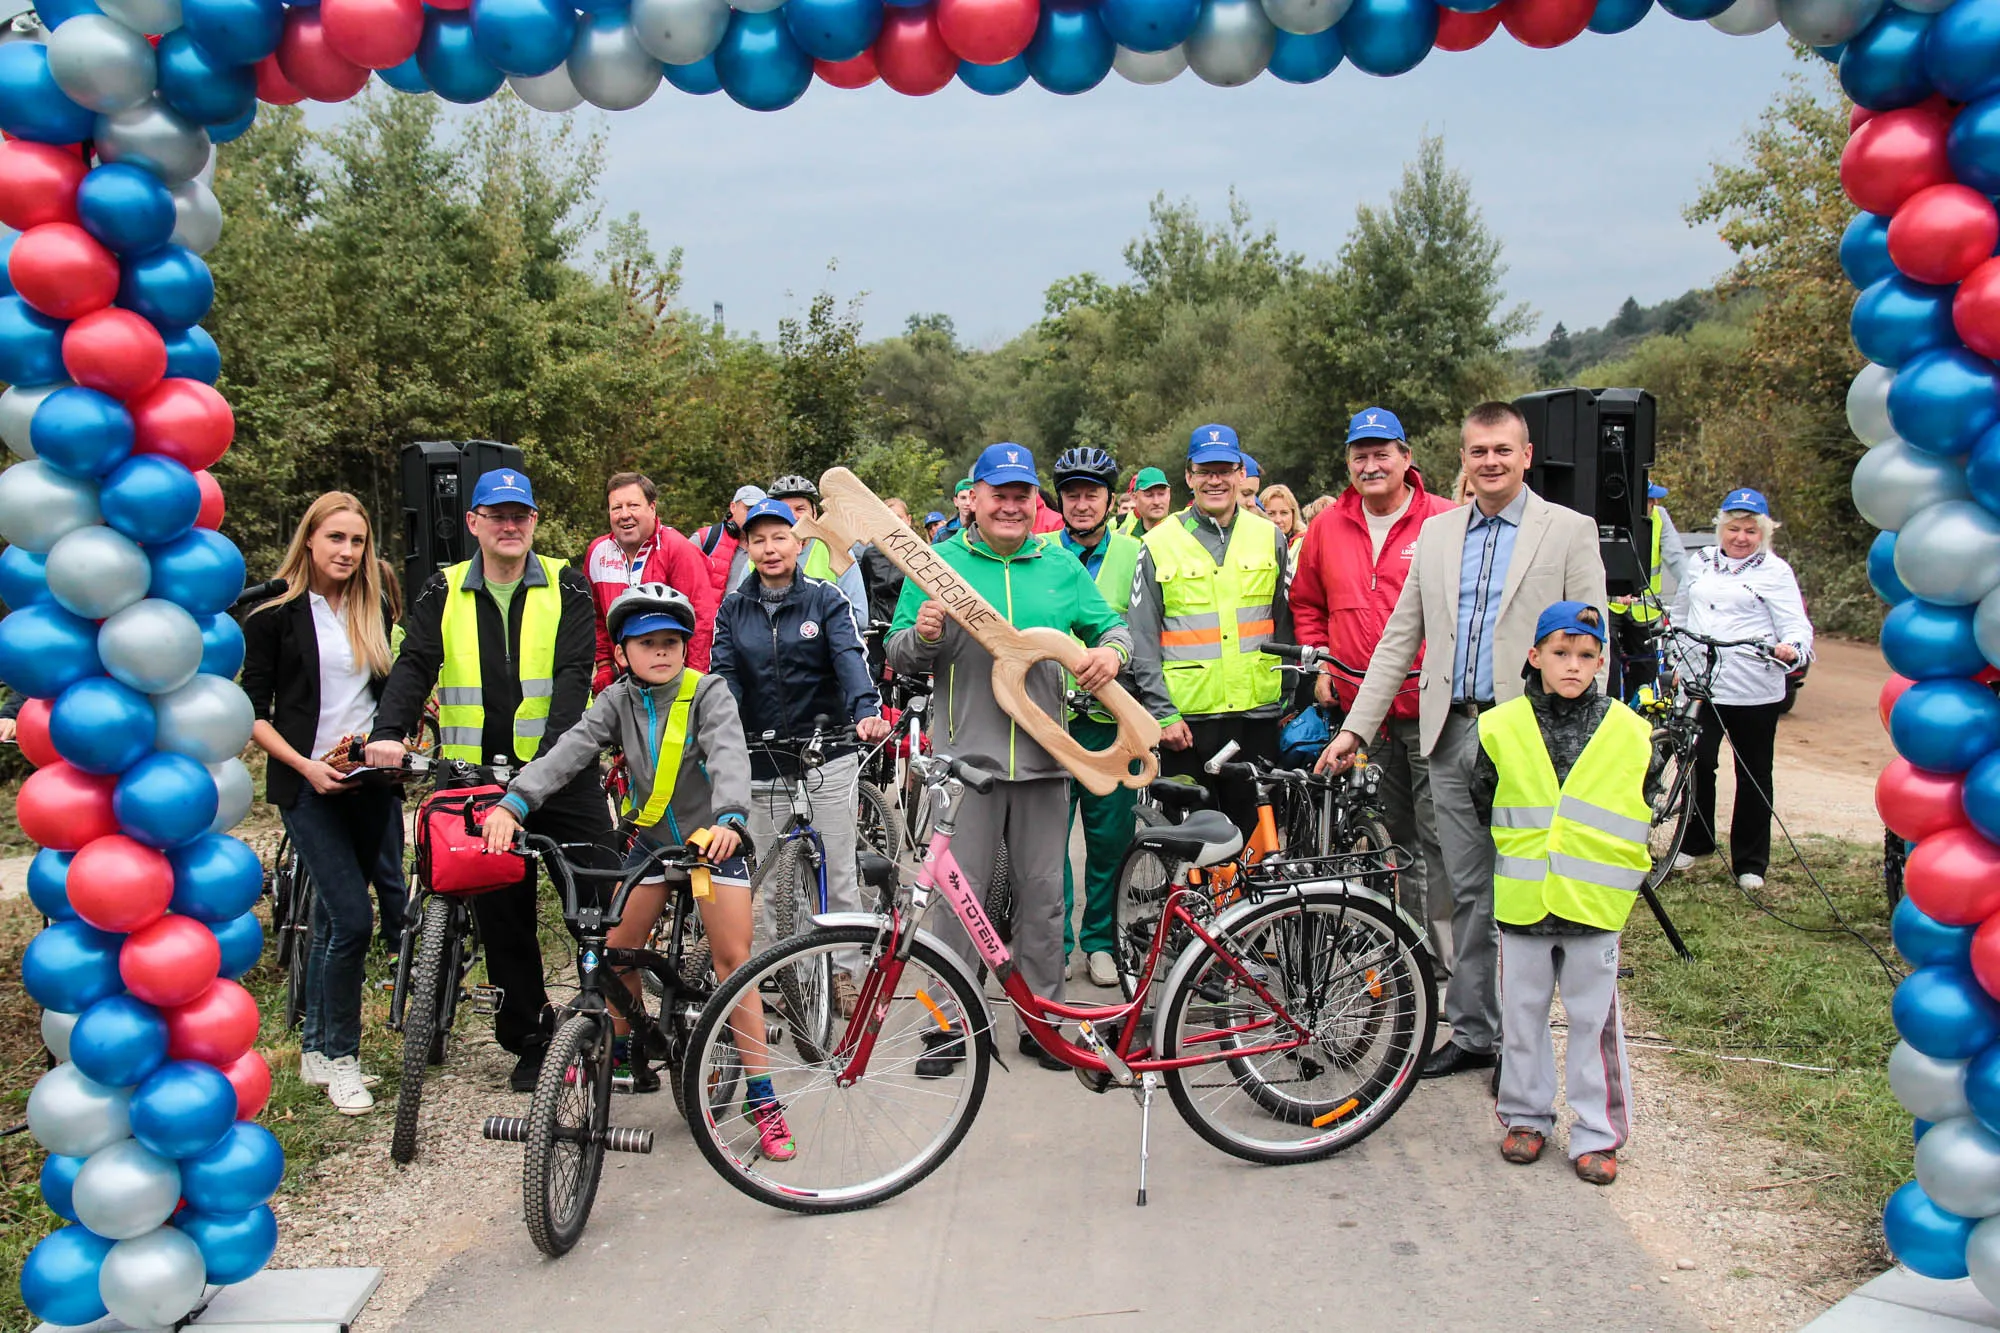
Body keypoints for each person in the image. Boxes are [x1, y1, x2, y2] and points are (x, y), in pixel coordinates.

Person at [1320, 401, 1607, 1082]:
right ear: (1462, 457)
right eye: (1478, 451)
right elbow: (1399, 637)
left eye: (1503, 450)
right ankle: (1477, 1029)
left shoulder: (1568, 531)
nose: (1490, 462)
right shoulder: (1441, 534)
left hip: (1533, 737)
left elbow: (1595, 647)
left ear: (1526, 455)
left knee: (1533, 890)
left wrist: (1585, 739)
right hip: (1450, 732)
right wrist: (1356, 727)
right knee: (1470, 887)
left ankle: (1528, 1040)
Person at [478, 586, 799, 1160]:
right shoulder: (616, 701)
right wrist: (514, 803)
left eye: (671, 642)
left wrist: (730, 818)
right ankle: (625, 1049)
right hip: (650, 844)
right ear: (624, 652)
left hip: (713, 844)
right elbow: (570, 750)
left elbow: (729, 754)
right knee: (611, 951)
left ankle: (761, 1096)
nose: (662, 653)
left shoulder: (709, 692)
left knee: (734, 964)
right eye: (647, 643)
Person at [366, 467, 612, 1093]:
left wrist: (545, 771)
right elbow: (416, 663)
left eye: (520, 515)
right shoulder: (440, 590)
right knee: (504, 918)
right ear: (473, 523)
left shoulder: (568, 584)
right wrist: (390, 732)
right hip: (476, 780)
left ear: (533, 522)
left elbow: (572, 678)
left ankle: (607, 1020)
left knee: (599, 898)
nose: (510, 526)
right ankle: (530, 1036)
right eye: (496, 516)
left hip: (561, 776)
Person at [888, 442, 1131, 1072]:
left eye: (1022, 494)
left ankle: (1043, 1026)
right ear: (976, 498)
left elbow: (1113, 626)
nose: (1011, 505)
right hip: (966, 769)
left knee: (1044, 899)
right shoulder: (938, 564)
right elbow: (898, 655)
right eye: (1000, 493)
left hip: (1049, 764)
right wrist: (924, 636)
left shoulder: (1058, 568)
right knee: (953, 904)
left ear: (1034, 503)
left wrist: (1113, 653)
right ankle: (947, 1027)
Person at [1473, 601, 1647, 1187]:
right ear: (1535, 656)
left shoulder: (1629, 730)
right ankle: (1526, 1117)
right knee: (1521, 1017)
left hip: (1594, 905)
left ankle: (1598, 1133)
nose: (1573, 666)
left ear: (1601, 661)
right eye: (1560, 654)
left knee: (1593, 1021)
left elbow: (1636, 803)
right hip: (1524, 901)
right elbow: (1484, 798)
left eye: (1586, 656)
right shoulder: (1500, 725)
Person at [242, 493, 400, 1114]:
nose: (346, 552)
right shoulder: (272, 615)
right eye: (335, 538)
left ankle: (313, 1050)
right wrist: (305, 766)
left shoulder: (372, 607)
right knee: (353, 921)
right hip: (306, 787)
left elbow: (388, 693)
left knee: (335, 922)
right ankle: (343, 1059)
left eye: (357, 541)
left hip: (367, 783)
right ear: (309, 540)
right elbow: (251, 714)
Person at [1290, 408, 1459, 976]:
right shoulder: (1326, 527)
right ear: (1348, 463)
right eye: (1360, 455)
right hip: (1360, 716)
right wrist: (1319, 658)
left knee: (1441, 841)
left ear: (1406, 459)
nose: (1371, 464)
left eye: (1382, 453)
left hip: (1428, 711)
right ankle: (1401, 947)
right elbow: (1306, 601)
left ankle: (1444, 960)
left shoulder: (1444, 521)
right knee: (1389, 841)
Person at [711, 498, 891, 1016]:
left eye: (779, 537)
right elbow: (724, 678)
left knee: (836, 872)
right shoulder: (733, 609)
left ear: (798, 542)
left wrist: (864, 712)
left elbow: (850, 661)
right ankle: (786, 976)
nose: (770, 549)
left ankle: (845, 974)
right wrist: (720, 733)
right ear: (746, 548)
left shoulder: (826, 600)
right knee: (771, 881)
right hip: (761, 757)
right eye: (758, 539)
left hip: (827, 750)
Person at [1050, 446, 1177, 989]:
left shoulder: (1136, 551)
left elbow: (1148, 636)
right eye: (1072, 495)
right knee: (1047, 842)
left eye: (1091, 494)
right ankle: (1052, 943)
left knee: (1108, 840)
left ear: (1110, 499)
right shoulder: (1038, 552)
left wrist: (1157, 708)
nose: (1082, 504)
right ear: (1060, 500)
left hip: (1112, 720)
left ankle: (1100, 940)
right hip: (1050, 720)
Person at [1128, 424, 1290, 839]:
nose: (1214, 480)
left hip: (1256, 716)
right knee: (1193, 846)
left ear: (1240, 474)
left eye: (1224, 469)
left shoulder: (1270, 536)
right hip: (1188, 725)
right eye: (1205, 471)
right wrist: (1162, 713)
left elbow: (1284, 621)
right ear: (1189, 476)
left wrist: (1288, 699)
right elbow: (1141, 637)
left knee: (1256, 842)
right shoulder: (1159, 543)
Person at [1670, 488, 1812, 893]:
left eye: (1751, 530)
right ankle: (1694, 841)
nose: (1741, 537)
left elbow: (1796, 625)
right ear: (1721, 528)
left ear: (1763, 533)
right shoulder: (1700, 563)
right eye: (1734, 529)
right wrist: (1677, 657)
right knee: (1697, 764)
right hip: (1703, 683)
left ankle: (1750, 861)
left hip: (1753, 687)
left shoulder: (1775, 571)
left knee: (1753, 774)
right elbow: (1682, 611)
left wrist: (1793, 649)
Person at [584, 472, 719, 690]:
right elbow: (596, 616)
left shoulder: (677, 548)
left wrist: (694, 682)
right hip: (621, 681)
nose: (625, 514)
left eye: (633, 505)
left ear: (652, 507)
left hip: (671, 676)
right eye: (617, 507)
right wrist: (604, 664)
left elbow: (702, 620)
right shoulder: (597, 552)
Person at [1606, 482, 1689, 701]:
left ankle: (1642, 709)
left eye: (1654, 500)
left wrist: (1694, 589)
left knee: (1646, 665)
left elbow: (1677, 560)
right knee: (1607, 660)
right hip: (1609, 604)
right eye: (1649, 500)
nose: (1654, 504)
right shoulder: (1607, 513)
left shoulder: (1660, 517)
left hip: (1646, 607)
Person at [767, 473, 870, 622]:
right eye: (785, 510)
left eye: (800, 509)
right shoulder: (756, 558)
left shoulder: (836, 550)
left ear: (814, 513)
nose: (793, 516)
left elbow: (859, 616)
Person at [694, 484, 768, 599]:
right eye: (749, 509)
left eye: (758, 510)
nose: (753, 515)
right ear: (733, 507)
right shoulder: (707, 538)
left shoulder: (771, 547)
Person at [1129, 466, 1174, 534]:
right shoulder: (1122, 537)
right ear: (1135, 498)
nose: (1156, 502)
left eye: (1161, 494)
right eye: (1149, 495)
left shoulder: (1186, 533)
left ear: (1169, 494)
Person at [1260, 483, 1303, 552]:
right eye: (1271, 514)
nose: (1278, 520)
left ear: (1293, 514)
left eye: (1284, 513)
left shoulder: (1305, 544)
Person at [933, 478, 974, 544]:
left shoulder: (987, 531)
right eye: (963, 498)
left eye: (971, 498)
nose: (968, 503)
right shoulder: (942, 534)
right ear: (955, 501)